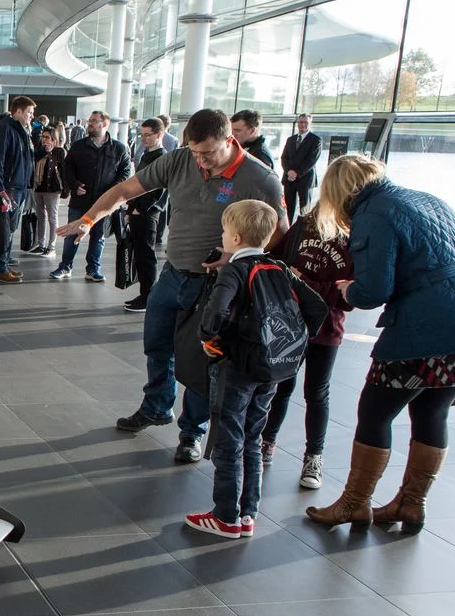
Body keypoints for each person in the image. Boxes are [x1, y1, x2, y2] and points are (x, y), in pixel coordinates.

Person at [57, 109, 288, 465]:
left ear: (230, 140)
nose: (201, 160)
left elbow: (279, 235)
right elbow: (125, 190)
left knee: (199, 361)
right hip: (173, 273)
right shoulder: (180, 161)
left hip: (217, 285)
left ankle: (191, 432)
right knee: (157, 344)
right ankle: (156, 407)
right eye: (195, 151)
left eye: (208, 153)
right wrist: (90, 219)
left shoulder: (260, 178)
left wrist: (235, 255)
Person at [305, 155, 455, 533]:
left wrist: (347, 288)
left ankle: (355, 504)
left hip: (420, 330)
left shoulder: (372, 214)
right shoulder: (427, 198)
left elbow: (373, 291)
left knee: (375, 411)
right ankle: (411, 504)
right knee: (433, 413)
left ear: (337, 192)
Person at [185, 200, 327, 538]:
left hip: (239, 365)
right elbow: (317, 308)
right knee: (253, 437)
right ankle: (248, 513)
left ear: (234, 237)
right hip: (272, 369)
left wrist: (210, 338)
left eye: (223, 231)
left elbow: (213, 314)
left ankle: (225, 516)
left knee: (229, 436)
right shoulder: (278, 267)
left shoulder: (234, 270)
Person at [258, 204, 353, 489]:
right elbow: (276, 262)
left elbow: (346, 297)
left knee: (317, 391)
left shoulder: (355, 237)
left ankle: (314, 456)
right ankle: (266, 441)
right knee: (282, 385)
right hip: (289, 322)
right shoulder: (303, 225)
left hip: (326, 328)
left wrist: (304, 281)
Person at [52, 110, 132, 283]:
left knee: (98, 236)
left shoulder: (118, 148)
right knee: (72, 233)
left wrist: (112, 192)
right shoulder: (79, 146)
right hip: (80, 200)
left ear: (105, 124)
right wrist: (74, 185)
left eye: (94, 121)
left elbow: (125, 172)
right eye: (90, 120)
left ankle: (93, 269)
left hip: (104, 203)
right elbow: (67, 168)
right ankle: (65, 266)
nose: (90, 123)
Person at [0, 96, 35, 283]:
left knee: (10, 228)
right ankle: (0, 267)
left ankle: (4, 264)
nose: (31, 116)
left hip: (19, 186)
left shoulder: (21, 130)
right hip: (10, 187)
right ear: (18, 111)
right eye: (29, 112)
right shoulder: (6, 129)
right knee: (5, 228)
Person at [123, 118, 170, 312]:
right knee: (141, 254)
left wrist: (139, 208)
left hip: (147, 213)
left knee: (146, 255)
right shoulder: (146, 155)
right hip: (137, 210)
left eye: (148, 135)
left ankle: (148, 296)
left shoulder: (163, 157)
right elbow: (137, 183)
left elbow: (158, 189)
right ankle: (145, 293)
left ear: (159, 134)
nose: (144, 139)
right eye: (142, 135)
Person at [28, 128, 64, 258]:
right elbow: (32, 162)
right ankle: (41, 244)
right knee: (40, 215)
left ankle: (51, 247)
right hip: (38, 187)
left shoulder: (59, 151)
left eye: (47, 137)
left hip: (52, 189)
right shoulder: (39, 150)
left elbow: (63, 170)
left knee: (52, 217)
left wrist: (65, 190)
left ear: (54, 139)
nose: (44, 139)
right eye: (43, 137)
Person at [280, 113, 322, 222]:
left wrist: (296, 173)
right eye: (300, 122)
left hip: (305, 179)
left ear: (310, 124)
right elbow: (284, 157)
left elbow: (311, 160)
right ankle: (288, 231)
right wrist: (289, 171)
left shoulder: (316, 140)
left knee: (305, 208)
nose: (302, 125)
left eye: (305, 122)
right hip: (289, 179)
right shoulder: (291, 140)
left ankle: (302, 231)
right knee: (288, 207)